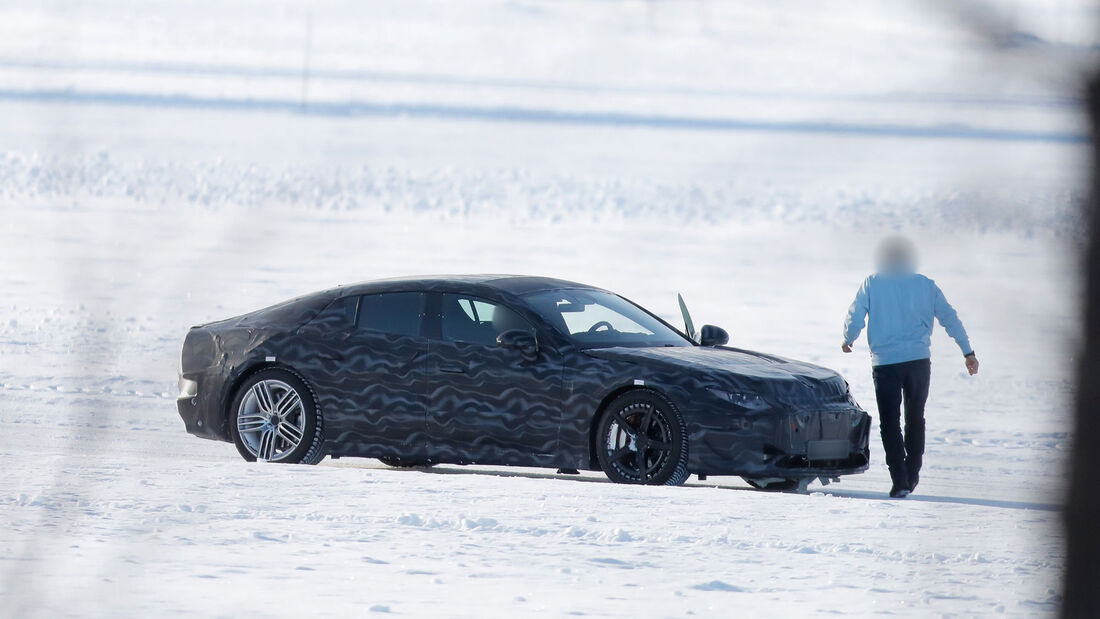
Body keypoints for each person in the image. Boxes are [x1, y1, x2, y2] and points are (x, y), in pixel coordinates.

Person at [842, 237, 979, 498]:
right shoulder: (925, 285)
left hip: (885, 364)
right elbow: (950, 317)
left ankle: (900, 479)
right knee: (915, 418)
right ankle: (913, 472)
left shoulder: (873, 283)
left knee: (890, 423)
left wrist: (849, 338)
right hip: (918, 362)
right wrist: (967, 351)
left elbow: (855, 314)